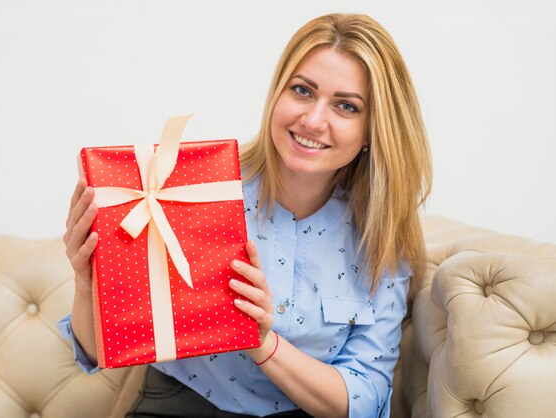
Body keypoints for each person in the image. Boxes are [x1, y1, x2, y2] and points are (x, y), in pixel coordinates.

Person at [59, 12, 431, 418]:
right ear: (277, 94)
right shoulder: (192, 191)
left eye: (346, 106)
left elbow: (365, 399)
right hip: (180, 405)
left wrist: (262, 342)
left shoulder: (381, 241)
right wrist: (86, 283)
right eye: (303, 91)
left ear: (373, 129)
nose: (313, 120)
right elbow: (96, 352)